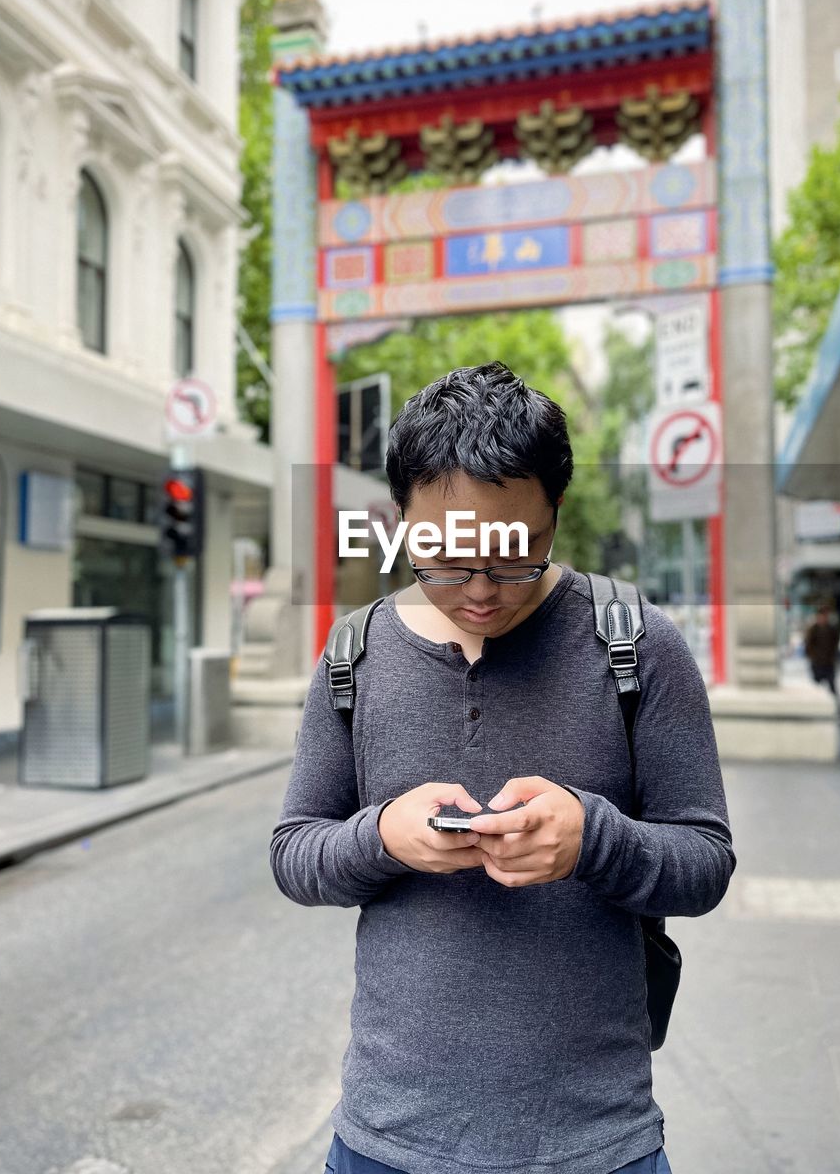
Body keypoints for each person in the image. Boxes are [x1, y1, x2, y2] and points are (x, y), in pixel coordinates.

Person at [270, 362, 736, 1174]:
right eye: (443, 558)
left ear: (556, 513)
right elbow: (293, 854)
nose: (480, 591)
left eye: (512, 556)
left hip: (596, 1143)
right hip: (385, 1137)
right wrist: (384, 835)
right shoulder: (354, 654)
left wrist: (593, 839)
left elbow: (704, 865)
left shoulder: (635, 645)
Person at [803, 604, 840, 723]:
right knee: (816, 689)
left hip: (828, 664)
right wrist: (812, 657)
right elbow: (808, 644)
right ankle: (815, 711)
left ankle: (839, 712)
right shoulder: (813, 629)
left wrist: (833, 658)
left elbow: (836, 643)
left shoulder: (832, 629)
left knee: (833, 689)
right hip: (817, 663)